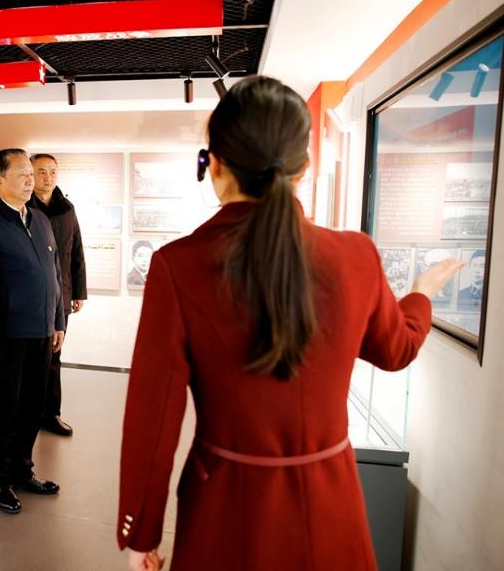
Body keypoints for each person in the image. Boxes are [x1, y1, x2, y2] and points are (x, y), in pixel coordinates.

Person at [117, 77, 462, 571]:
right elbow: (396, 349)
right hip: (331, 505)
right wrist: (421, 294)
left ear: (215, 165)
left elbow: (154, 418)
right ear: (303, 167)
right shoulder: (355, 256)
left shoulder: (178, 266)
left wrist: (142, 533)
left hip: (225, 509)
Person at [0, 148, 66, 514]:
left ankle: (23, 470)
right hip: (7, 337)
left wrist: (58, 322)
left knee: (33, 409)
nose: (30, 180)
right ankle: (0, 480)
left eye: (31, 174)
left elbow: (55, 275)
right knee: (5, 412)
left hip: (42, 332)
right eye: (22, 174)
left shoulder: (40, 220)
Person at [27, 153, 87, 437]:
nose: (47, 177)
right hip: (31, 295)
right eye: (41, 171)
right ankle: (27, 413)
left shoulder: (66, 209)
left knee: (54, 356)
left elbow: (76, 251)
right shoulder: (23, 206)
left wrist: (79, 291)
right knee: (30, 359)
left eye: (52, 171)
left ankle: (51, 413)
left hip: (60, 294)